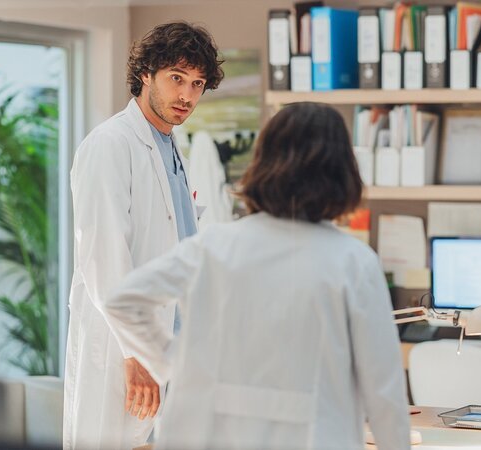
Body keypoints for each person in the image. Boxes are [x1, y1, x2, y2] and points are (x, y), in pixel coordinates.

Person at [101, 102, 411, 449]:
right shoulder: (354, 262)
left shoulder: (216, 245)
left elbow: (123, 301)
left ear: (263, 163)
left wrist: (174, 363)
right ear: (343, 173)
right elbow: (384, 394)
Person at [63, 22, 223, 449]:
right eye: (177, 78)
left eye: (197, 83)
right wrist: (135, 355)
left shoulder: (172, 149)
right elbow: (103, 260)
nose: (187, 96)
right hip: (125, 354)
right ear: (146, 73)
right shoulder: (110, 145)